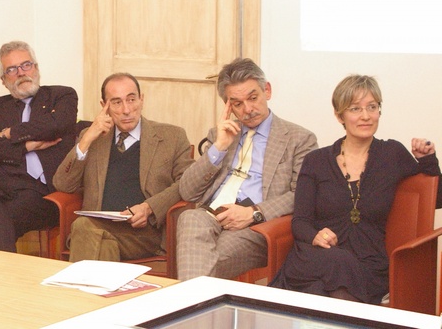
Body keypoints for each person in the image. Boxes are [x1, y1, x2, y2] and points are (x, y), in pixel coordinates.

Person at [270, 75, 439, 303]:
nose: (366, 116)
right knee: (332, 268)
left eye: (372, 107)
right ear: (340, 115)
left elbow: (436, 199)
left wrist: (428, 160)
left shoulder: (392, 154)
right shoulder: (316, 161)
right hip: (319, 258)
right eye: (355, 109)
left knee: (319, 291)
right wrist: (316, 236)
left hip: (368, 264)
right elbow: (300, 222)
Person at [176, 58, 317, 280]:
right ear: (228, 106)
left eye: (253, 98)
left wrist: (254, 212)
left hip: (254, 225)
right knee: (190, 218)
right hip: (210, 215)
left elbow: (301, 194)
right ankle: (195, 309)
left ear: (267, 90)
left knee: (201, 258)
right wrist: (220, 146)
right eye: (237, 104)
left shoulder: (299, 139)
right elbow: (188, 191)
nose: (248, 109)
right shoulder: (220, 135)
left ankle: (184, 309)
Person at [54, 72, 194, 262]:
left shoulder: (172, 136)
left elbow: (187, 183)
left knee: (83, 228)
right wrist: (86, 139)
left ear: (141, 100)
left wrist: (149, 208)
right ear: (105, 106)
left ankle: (77, 292)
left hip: (145, 234)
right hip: (98, 227)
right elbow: (63, 184)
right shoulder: (94, 137)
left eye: (131, 99)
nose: (127, 110)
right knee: (97, 238)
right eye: (117, 102)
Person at [0, 41, 78, 252]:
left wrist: (9, 133)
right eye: (11, 69)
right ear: (3, 80)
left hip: (40, 192)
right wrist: (26, 146)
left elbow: (55, 125)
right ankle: (5, 279)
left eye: (26, 65)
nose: (21, 73)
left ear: (36, 68)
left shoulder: (62, 96)